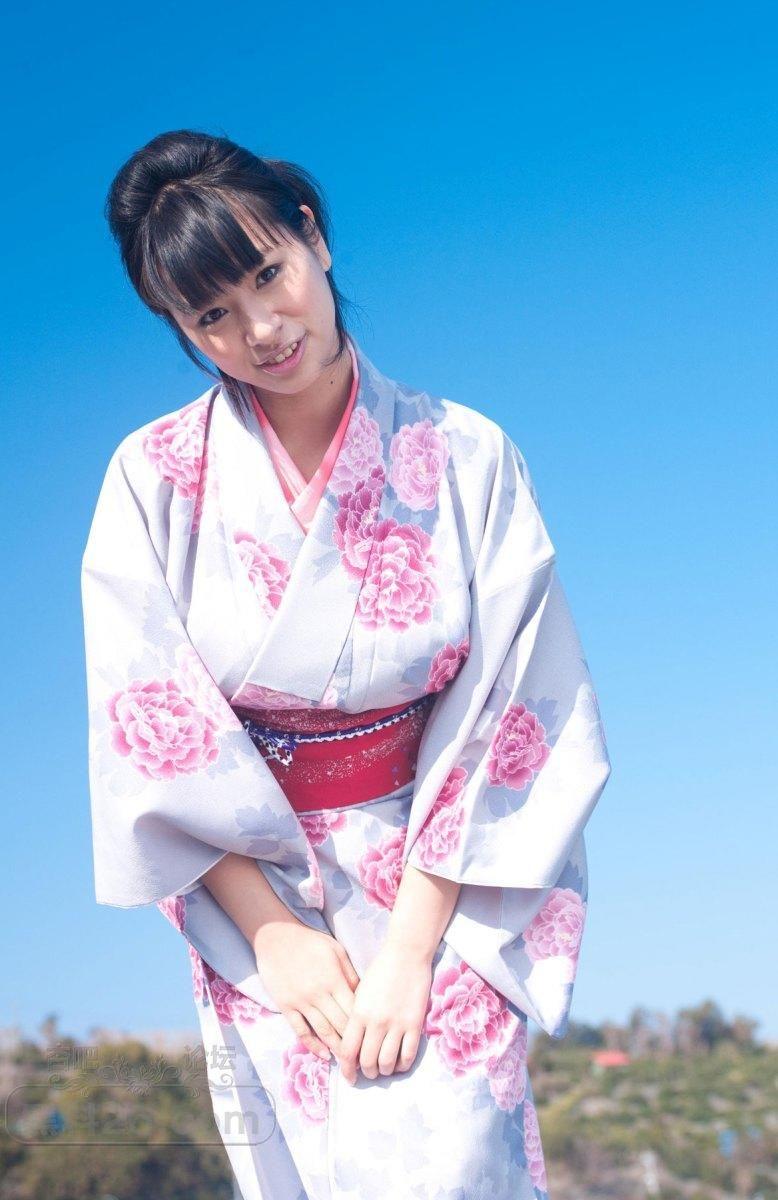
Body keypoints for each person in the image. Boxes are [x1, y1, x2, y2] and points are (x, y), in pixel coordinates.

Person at [81, 128, 613, 1200]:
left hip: (445, 884)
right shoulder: (154, 479)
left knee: (455, 1164)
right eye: (210, 315)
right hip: (258, 903)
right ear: (179, 327)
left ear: (312, 237)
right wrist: (275, 937)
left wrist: (413, 951)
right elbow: (153, 732)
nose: (260, 328)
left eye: (267, 273)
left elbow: (517, 704)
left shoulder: (466, 454)